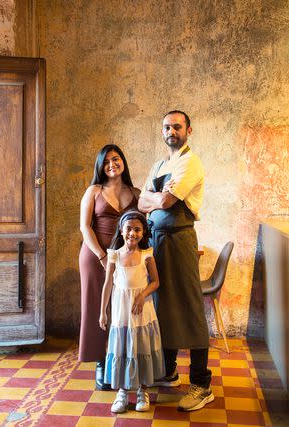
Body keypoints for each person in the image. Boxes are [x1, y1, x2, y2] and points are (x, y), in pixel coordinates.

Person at [138, 110, 213, 411]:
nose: (172, 131)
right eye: (167, 127)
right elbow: (143, 202)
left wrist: (156, 197)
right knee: (162, 306)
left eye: (177, 126)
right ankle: (169, 371)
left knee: (190, 307)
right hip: (157, 239)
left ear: (188, 130)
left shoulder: (191, 162)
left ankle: (201, 383)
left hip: (180, 238)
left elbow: (166, 202)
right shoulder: (159, 164)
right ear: (162, 132)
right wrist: (157, 196)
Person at [78, 144, 141, 390]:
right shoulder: (94, 191)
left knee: (123, 309)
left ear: (122, 161)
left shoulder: (135, 192)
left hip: (125, 259)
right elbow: (85, 227)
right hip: (95, 257)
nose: (111, 165)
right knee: (97, 308)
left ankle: (123, 361)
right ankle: (100, 363)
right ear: (100, 167)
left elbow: (145, 223)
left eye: (115, 159)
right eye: (106, 162)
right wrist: (103, 257)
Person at [99, 210, 164, 413]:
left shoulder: (146, 255)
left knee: (141, 348)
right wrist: (103, 312)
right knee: (123, 349)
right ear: (121, 230)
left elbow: (156, 282)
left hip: (142, 312)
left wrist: (142, 294)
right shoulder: (114, 256)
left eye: (137, 229)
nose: (132, 234)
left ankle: (142, 391)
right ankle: (122, 392)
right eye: (129, 229)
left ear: (143, 233)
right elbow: (108, 284)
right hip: (121, 314)